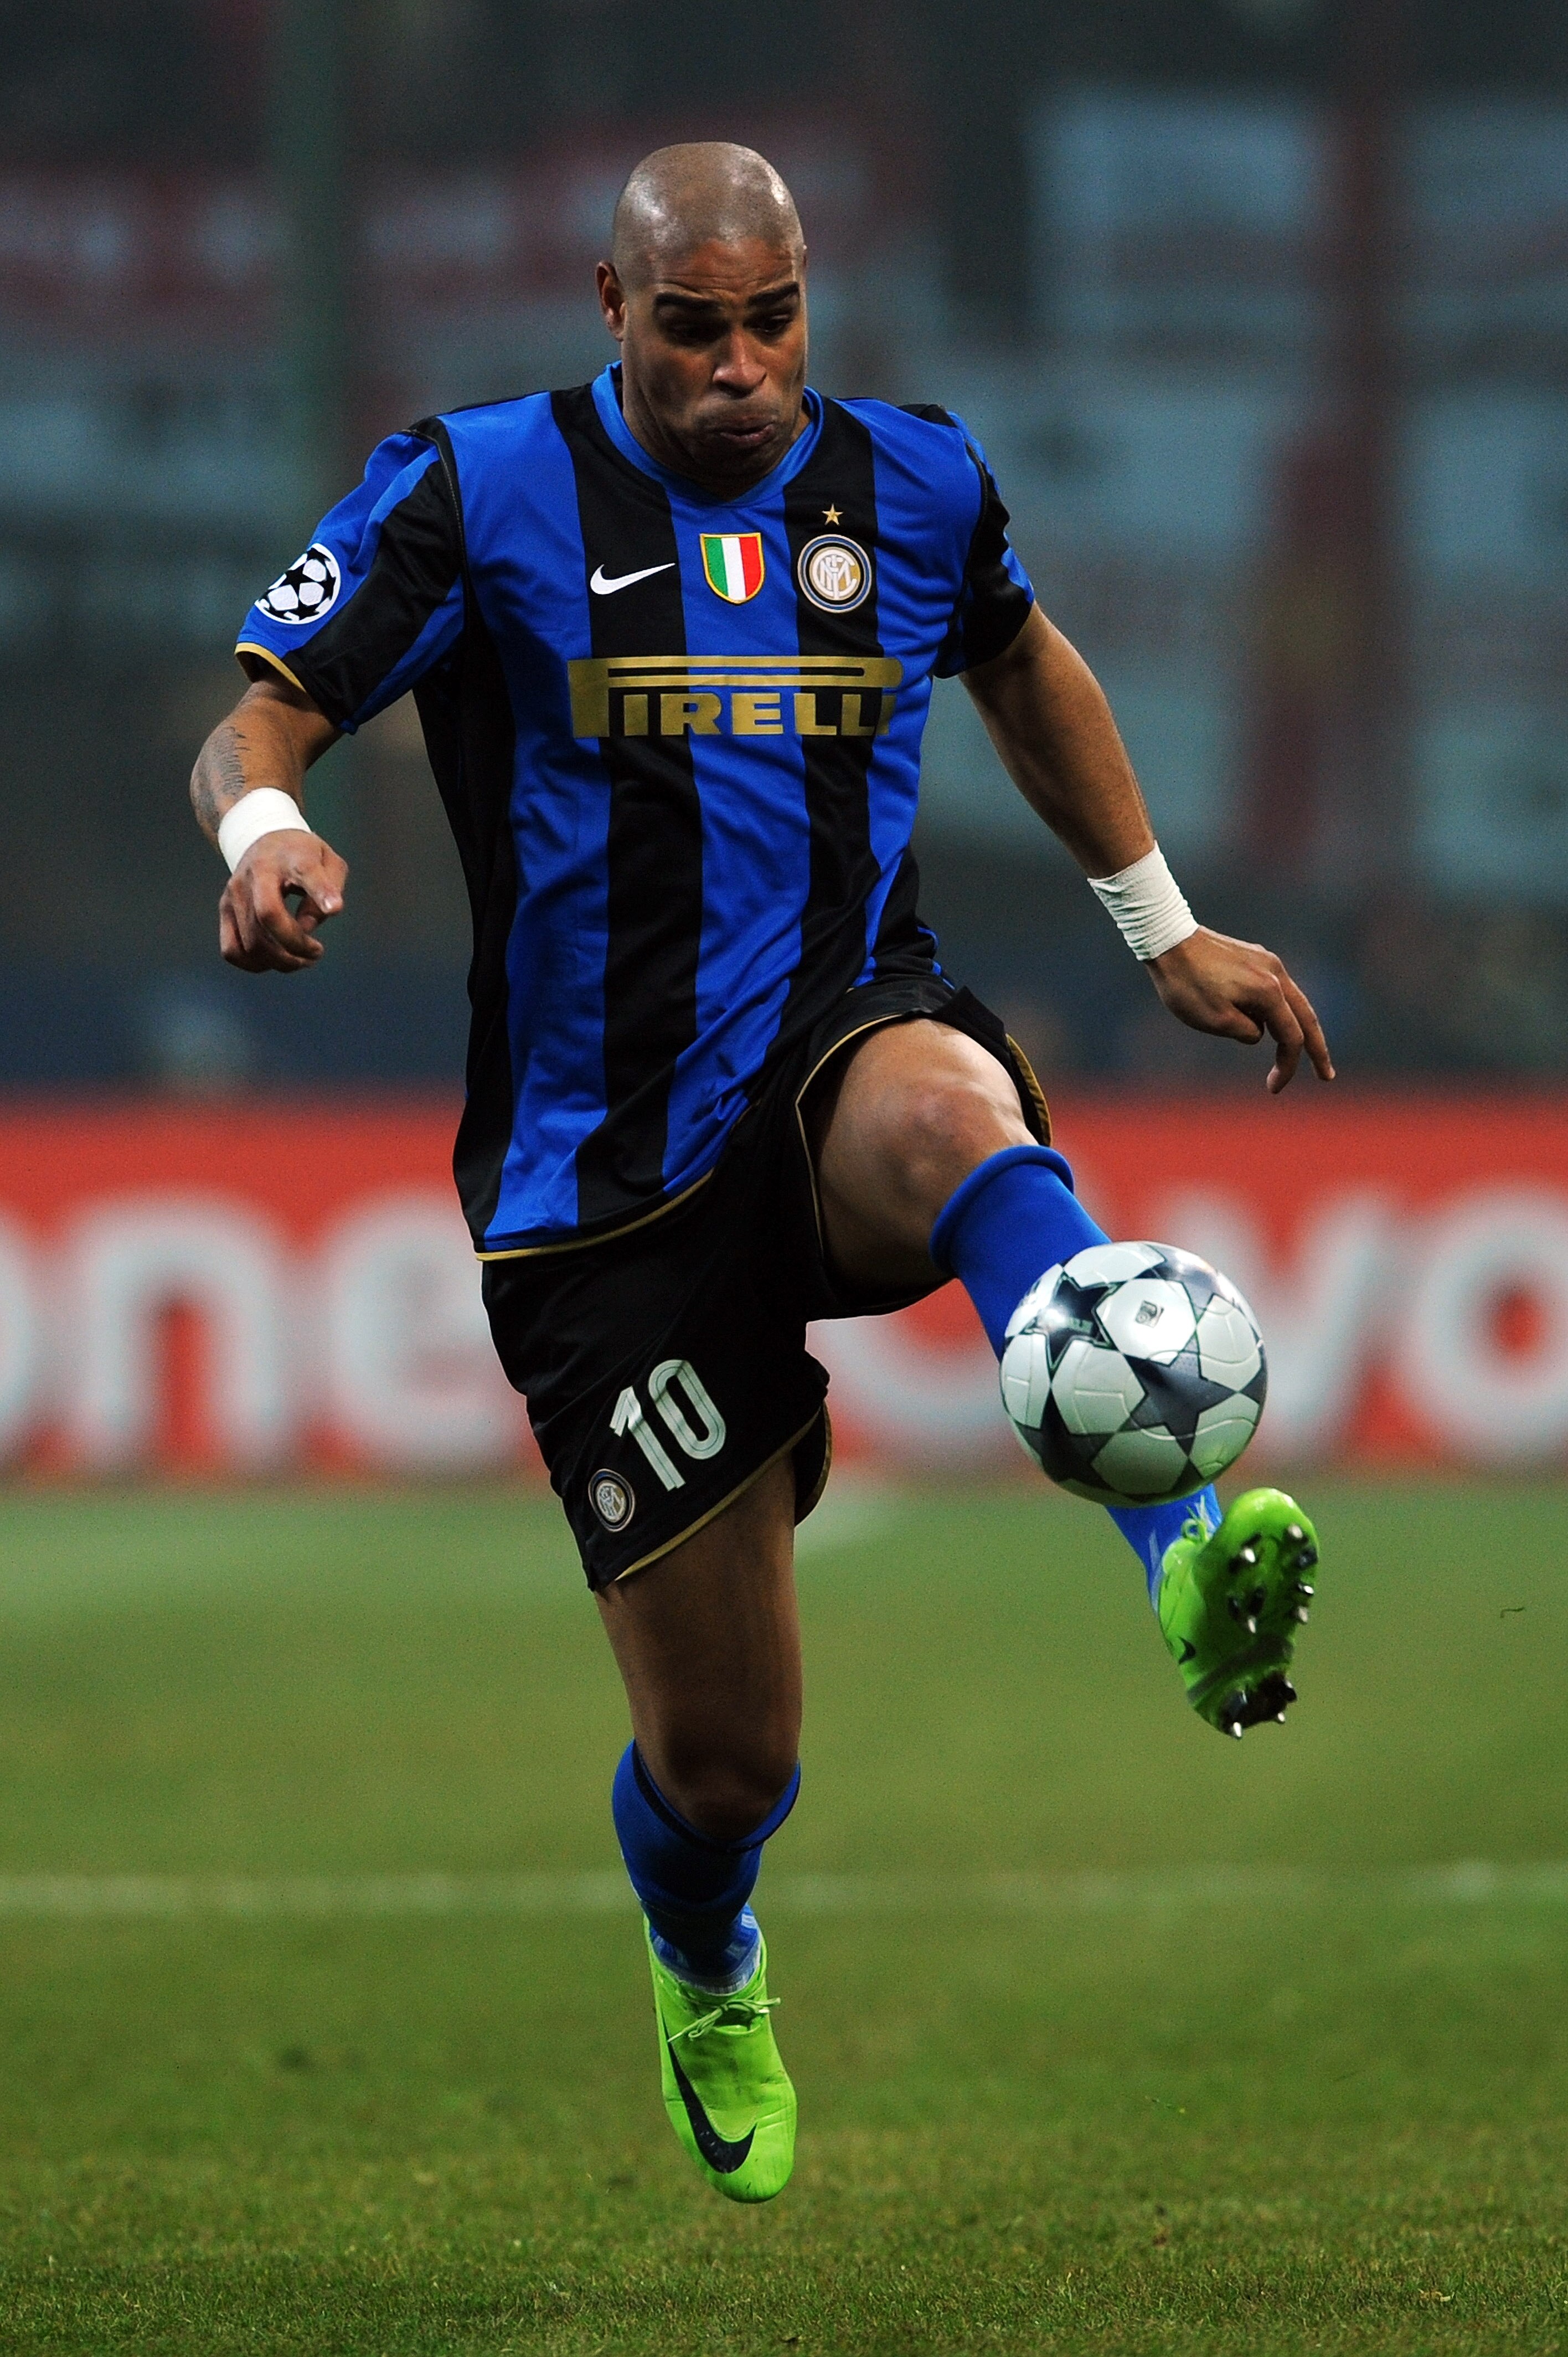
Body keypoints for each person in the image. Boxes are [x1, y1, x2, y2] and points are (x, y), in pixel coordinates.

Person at [191, 142, 1332, 2206]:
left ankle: (1181, 1551)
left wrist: (1161, 928)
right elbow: (261, 715)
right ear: (610, 309)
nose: (741, 368)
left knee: (954, 1113)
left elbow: (1022, 659)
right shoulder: (473, 486)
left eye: (774, 321)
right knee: (728, 1764)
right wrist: (263, 833)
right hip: (600, 1186)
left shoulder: (915, 481)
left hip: (837, 1044)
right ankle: (707, 1958)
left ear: (811, 297)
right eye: (695, 328)